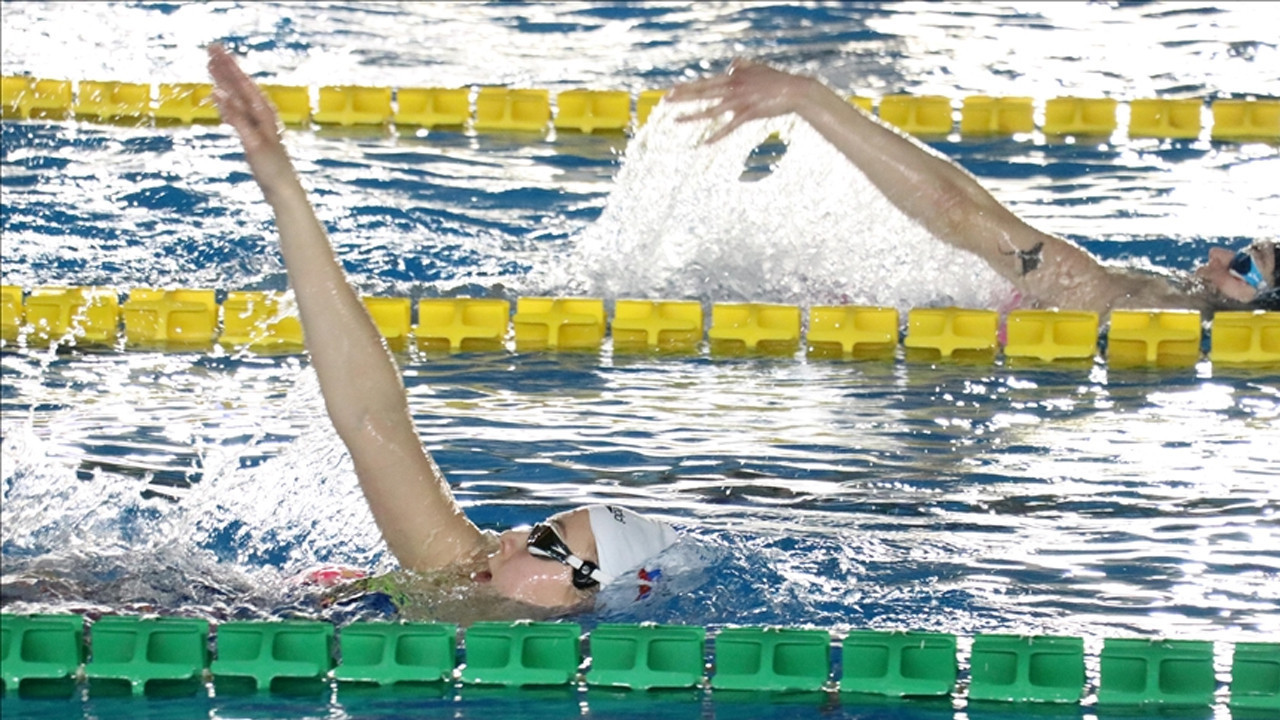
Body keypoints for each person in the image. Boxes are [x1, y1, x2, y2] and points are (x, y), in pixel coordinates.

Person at [206, 45, 677, 620]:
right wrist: (280, 179)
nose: (511, 535)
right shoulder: (460, 568)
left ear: (589, 596)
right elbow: (372, 418)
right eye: (540, 529)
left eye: (546, 544)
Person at [668, 60, 1279, 316]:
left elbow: (955, 211)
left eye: (1247, 269)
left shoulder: (1116, 298)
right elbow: (976, 210)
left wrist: (807, 99)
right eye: (1240, 249)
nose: (1219, 256)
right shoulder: (1162, 298)